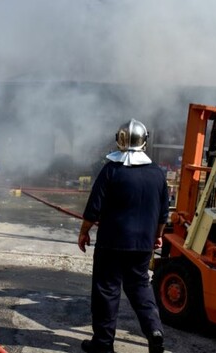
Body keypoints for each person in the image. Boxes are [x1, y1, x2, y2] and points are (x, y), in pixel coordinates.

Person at [78, 119, 169, 353]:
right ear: (144, 141)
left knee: (107, 291)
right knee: (140, 287)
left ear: (119, 140)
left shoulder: (111, 169)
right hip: (142, 245)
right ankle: (154, 331)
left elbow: (93, 206)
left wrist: (84, 231)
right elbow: (163, 214)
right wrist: (157, 237)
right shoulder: (158, 174)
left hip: (112, 243)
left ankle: (104, 344)